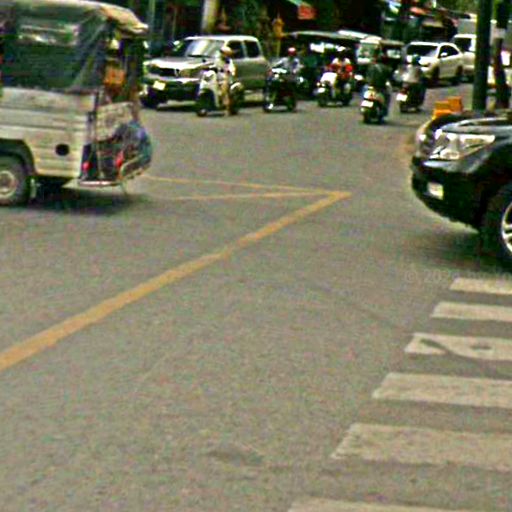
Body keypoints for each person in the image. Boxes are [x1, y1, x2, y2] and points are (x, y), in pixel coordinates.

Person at [215, 45, 236, 110]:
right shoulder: (217, 60)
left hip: (226, 79)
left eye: (225, 54)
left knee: (224, 91)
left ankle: (226, 106)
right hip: (217, 78)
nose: (224, 55)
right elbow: (215, 66)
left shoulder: (229, 61)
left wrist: (229, 71)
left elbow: (232, 68)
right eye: (223, 53)